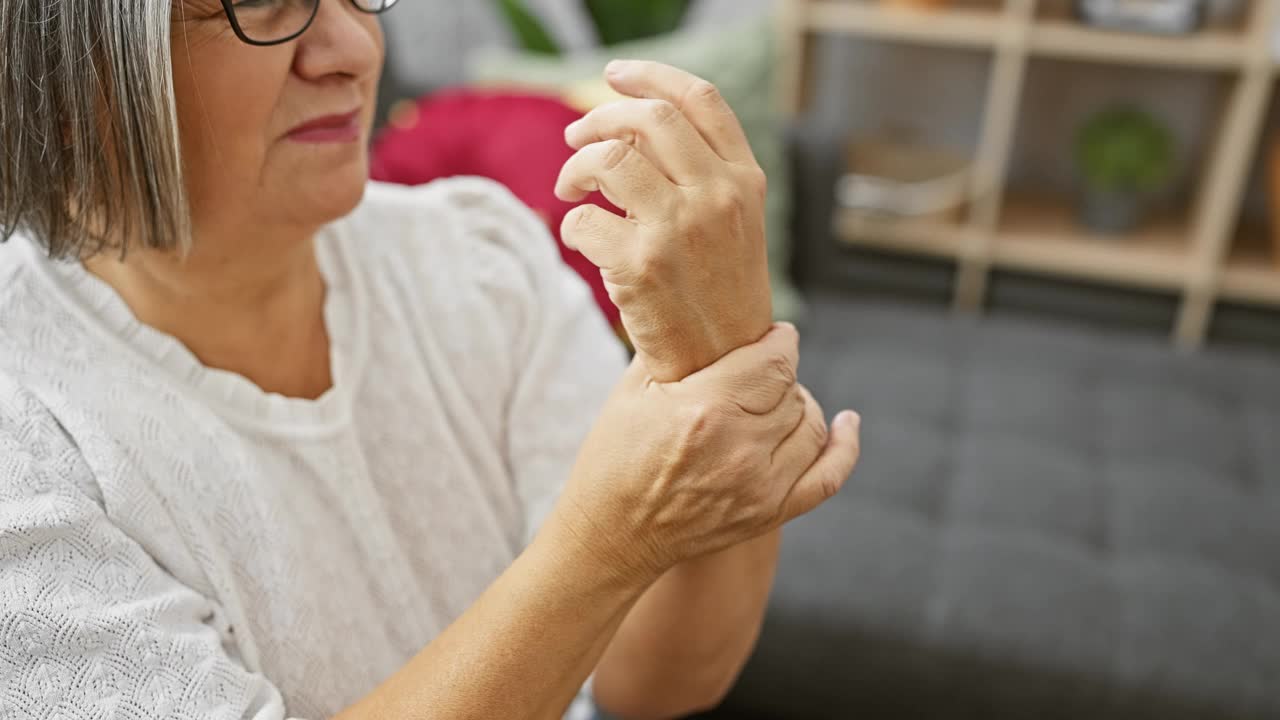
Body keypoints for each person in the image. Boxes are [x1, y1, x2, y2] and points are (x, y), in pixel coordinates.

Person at [0, 0, 862, 718]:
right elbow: (614, 563)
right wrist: (608, 543)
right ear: (78, 72)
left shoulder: (475, 255)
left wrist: (721, 353)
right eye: (265, 3)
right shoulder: (28, 428)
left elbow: (654, 687)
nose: (351, 48)